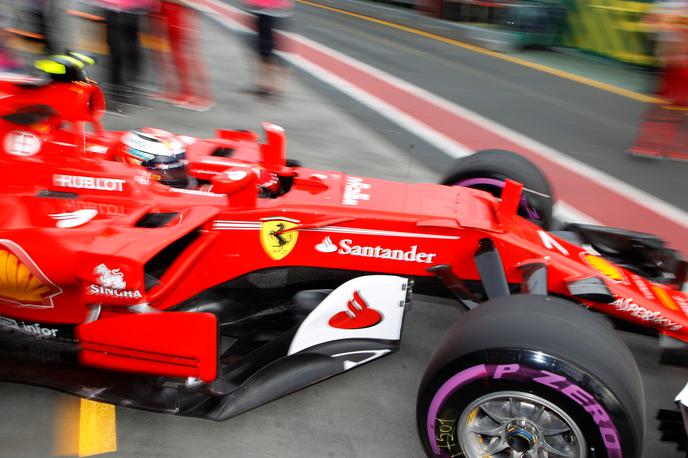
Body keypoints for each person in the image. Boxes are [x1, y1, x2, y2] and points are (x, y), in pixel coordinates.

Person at [150, 0, 214, 111]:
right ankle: (175, 90)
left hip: (177, 8)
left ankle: (202, 96)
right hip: (163, 7)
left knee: (184, 54)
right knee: (167, 52)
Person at [93, 0, 153, 108]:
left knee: (133, 52)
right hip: (115, 8)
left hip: (134, 9)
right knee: (117, 52)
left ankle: (129, 89)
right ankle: (116, 92)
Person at [243, 0, 293, 96]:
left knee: (265, 49)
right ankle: (268, 83)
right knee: (263, 48)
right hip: (267, 10)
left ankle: (270, 84)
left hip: (269, 10)